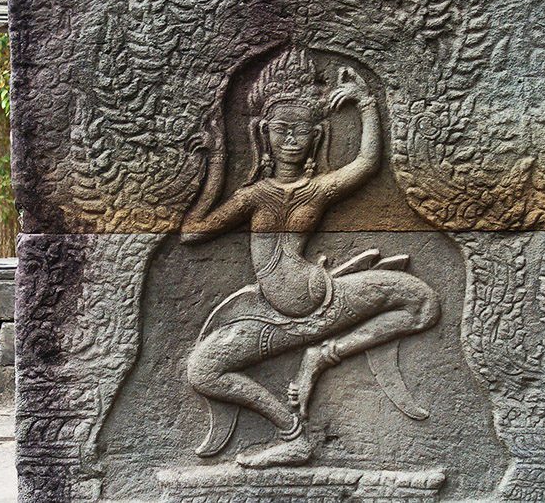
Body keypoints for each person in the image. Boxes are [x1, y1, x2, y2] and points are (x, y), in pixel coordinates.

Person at [181, 48, 440, 468]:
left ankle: (322, 356)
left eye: (300, 131)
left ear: (316, 136)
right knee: (202, 371)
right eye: (281, 129)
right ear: (264, 133)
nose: (289, 140)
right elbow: (193, 232)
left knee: (423, 301)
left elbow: (368, 162)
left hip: (324, 300)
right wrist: (215, 163)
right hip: (272, 315)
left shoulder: (318, 190)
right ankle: (293, 435)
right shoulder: (253, 195)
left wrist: (365, 103)